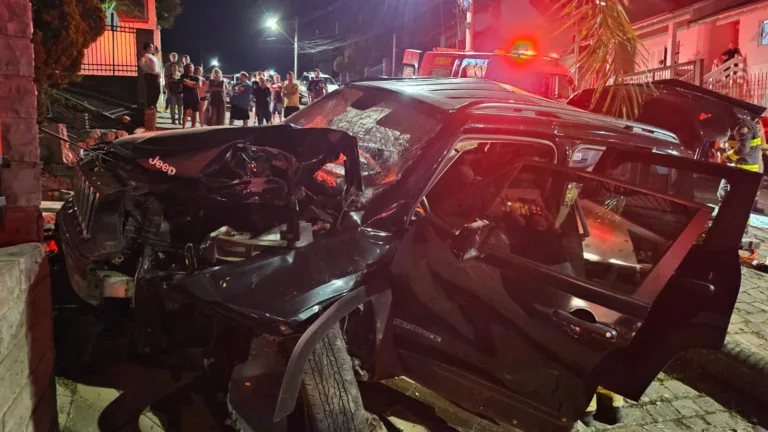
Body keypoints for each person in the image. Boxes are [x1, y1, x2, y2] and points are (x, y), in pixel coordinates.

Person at [139, 42, 161, 110]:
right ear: (147, 48)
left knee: (158, 91)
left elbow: (157, 66)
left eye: (152, 47)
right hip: (150, 76)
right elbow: (141, 64)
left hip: (155, 75)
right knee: (151, 91)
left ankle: (153, 105)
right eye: (151, 47)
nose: (152, 48)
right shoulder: (145, 55)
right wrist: (147, 69)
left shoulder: (153, 56)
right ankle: (150, 106)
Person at [180, 63, 201, 129]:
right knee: (186, 112)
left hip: (195, 97)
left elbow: (199, 85)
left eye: (191, 67)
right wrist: (194, 84)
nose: (189, 69)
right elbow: (183, 82)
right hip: (186, 97)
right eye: (188, 67)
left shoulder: (196, 77)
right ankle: (183, 127)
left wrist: (188, 82)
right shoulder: (183, 76)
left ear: (193, 68)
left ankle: (193, 126)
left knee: (195, 112)